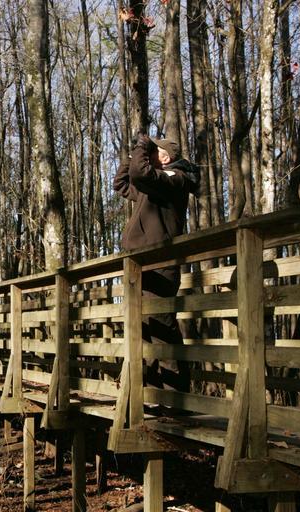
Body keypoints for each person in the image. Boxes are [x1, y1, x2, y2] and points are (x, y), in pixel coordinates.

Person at [113, 134, 199, 392]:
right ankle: (152, 396)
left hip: (161, 266)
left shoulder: (175, 179)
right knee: (144, 331)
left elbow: (141, 175)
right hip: (142, 266)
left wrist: (142, 147)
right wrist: (133, 156)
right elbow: (121, 183)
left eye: (153, 152)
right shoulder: (154, 186)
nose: (149, 156)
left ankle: (175, 399)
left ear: (165, 157)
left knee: (162, 329)